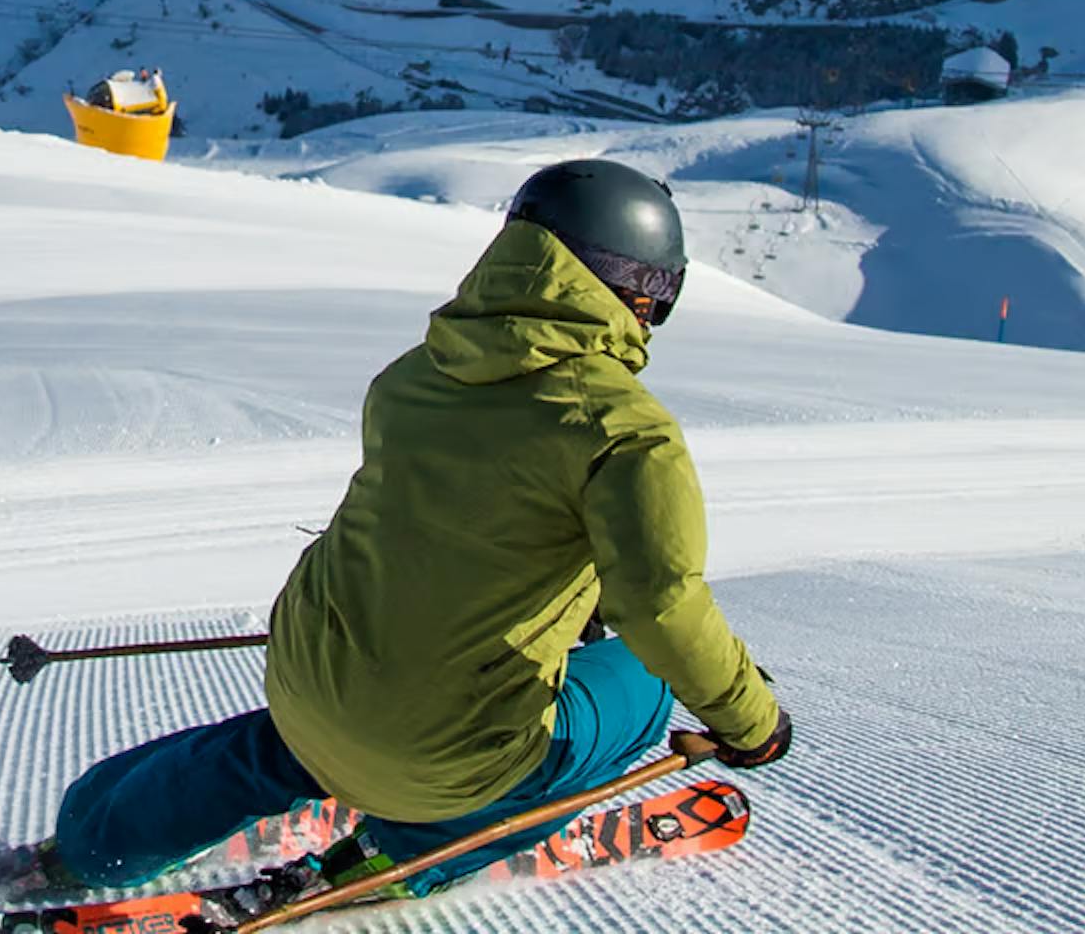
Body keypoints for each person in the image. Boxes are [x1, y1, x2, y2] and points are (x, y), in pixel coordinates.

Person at [40, 158, 789, 913]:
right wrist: (754, 724)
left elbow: (450, 535)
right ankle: (398, 856)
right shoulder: (626, 431)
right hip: (438, 750)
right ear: (635, 288)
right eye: (659, 298)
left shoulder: (416, 375)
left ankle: (94, 839)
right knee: (646, 685)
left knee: (280, 747)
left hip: (308, 684)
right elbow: (662, 609)